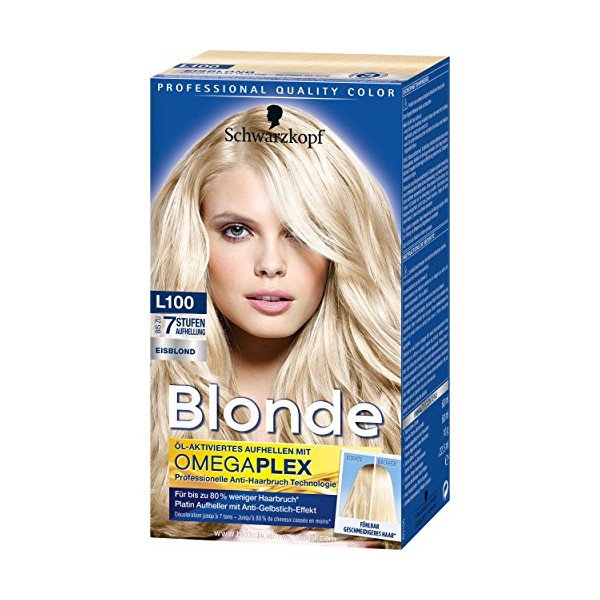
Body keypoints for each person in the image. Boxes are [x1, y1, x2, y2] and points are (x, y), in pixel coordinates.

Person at [150, 105, 401, 541]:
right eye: (236, 230)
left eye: (301, 232)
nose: (271, 264)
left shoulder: (390, 412)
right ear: (193, 239)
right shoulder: (147, 408)